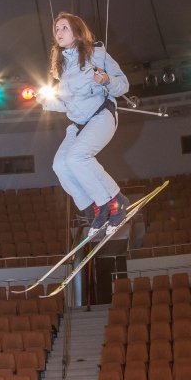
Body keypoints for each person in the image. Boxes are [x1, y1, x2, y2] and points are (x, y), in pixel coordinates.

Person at [39, 12, 130, 237]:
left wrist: (107, 80)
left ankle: (116, 201)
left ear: (77, 32)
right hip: (79, 124)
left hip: (101, 116)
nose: (58, 33)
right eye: (57, 29)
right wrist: (47, 102)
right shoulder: (61, 68)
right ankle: (97, 206)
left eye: (64, 28)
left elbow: (124, 86)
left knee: (76, 157)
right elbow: (67, 104)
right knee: (60, 164)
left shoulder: (97, 54)